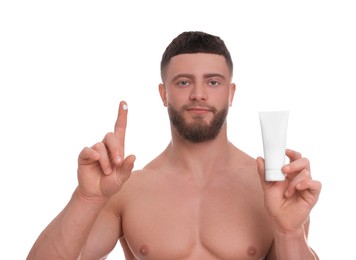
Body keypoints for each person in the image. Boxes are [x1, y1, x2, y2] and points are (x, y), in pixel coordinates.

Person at [27, 31, 322, 260]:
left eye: (213, 82)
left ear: (231, 93)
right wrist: (86, 198)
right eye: (183, 82)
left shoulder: (272, 190)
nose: (198, 94)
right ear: (163, 94)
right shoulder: (129, 190)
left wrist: (289, 230)